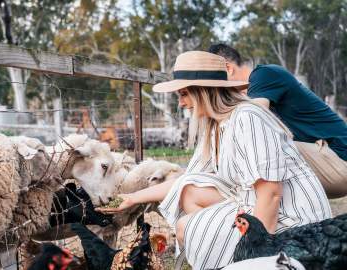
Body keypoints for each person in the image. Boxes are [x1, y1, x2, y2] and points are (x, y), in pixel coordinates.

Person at [98, 51, 331, 270]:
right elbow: (185, 180)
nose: (180, 103)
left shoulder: (248, 118)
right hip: (254, 203)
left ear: (203, 91)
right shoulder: (216, 126)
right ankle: (220, 256)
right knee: (188, 190)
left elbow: (271, 193)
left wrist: (257, 254)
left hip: (293, 219)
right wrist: (131, 198)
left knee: (185, 227)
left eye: (184, 94)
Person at [208, 43, 347, 199]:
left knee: (259, 145)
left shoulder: (265, 75)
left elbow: (251, 121)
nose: (215, 89)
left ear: (228, 69)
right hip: (324, 162)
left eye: (213, 81)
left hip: (338, 160)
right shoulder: (250, 95)